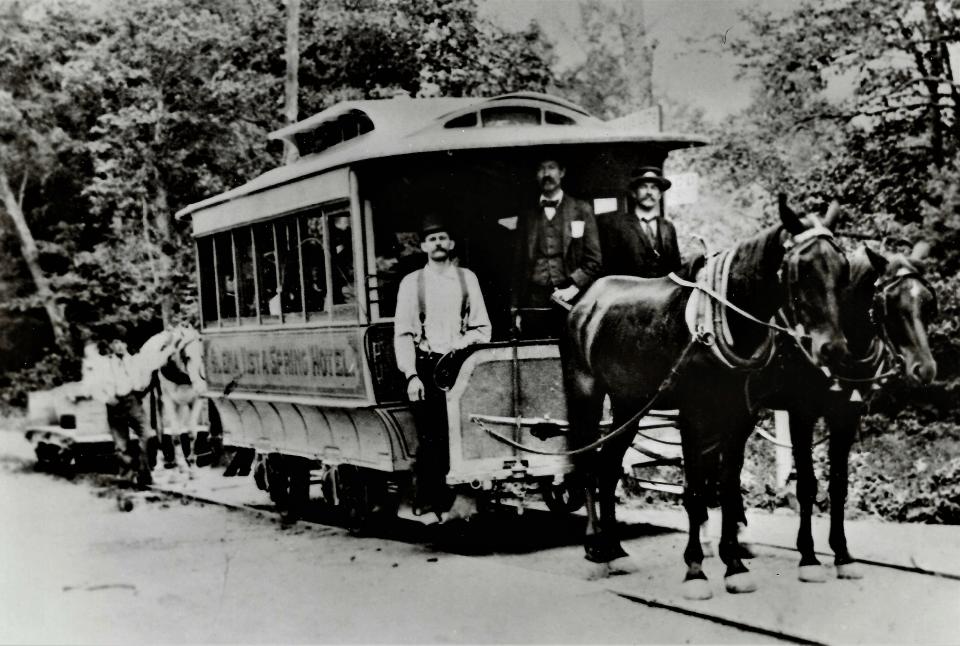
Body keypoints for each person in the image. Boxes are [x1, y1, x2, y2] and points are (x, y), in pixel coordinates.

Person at [393, 212, 492, 515]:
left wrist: (461, 346)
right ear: (423, 246)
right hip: (427, 367)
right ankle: (433, 502)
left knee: (466, 432)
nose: (437, 243)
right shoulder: (413, 283)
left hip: (462, 365)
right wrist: (411, 376)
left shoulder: (467, 278)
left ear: (450, 243)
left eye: (442, 238)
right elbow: (403, 334)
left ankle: (466, 500)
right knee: (432, 436)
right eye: (431, 239)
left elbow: (482, 328)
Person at [512, 157, 601, 337]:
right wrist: (515, 309)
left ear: (562, 172)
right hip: (534, 300)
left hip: (572, 296)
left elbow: (594, 260)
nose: (546, 174)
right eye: (541, 169)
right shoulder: (527, 214)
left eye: (551, 168)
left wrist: (573, 288)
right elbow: (518, 264)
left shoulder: (581, 209)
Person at [82, 335, 157, 487]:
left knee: (148, 435)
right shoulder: (105, 363)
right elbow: (94, 384)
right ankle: (127, 477)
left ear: (126, 343)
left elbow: (147, 374)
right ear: (111, 345)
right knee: (121, 445)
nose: (119, 346)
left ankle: (144, 471)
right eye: (115, 342)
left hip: (133, 402)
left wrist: (142, 389)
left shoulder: (135, 360)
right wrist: (106, 398)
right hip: (114, 404)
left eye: (121, 342)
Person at [598, 166, 681, 278]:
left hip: (662, 293)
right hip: (630, 292)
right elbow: (609, 270)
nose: (649, 192)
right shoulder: (618, 226)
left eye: (654, 188)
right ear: (633, 193)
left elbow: (676, 267)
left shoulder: (668, 227)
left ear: (660, 195)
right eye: (643, 187)